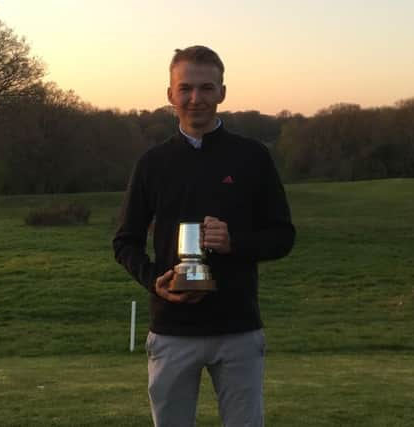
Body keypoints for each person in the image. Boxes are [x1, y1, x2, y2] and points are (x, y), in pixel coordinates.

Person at [113, 45, 295, 427]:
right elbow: (125, 241)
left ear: (222, 93)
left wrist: (235, 243)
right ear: (170, 95)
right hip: (172, 331)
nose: (196, 98)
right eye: (186, 89)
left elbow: (283, 236)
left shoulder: (252, 156)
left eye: (207, 88)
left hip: (238, 329)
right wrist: (153, 281)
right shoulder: (152, 164)